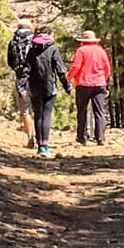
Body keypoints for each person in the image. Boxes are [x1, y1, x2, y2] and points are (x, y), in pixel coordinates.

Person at [19, 26, 70, 157]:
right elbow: (60, 70)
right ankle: (44, 145)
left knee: (38, 115)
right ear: (49, 34)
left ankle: (39, 146)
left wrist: (22, 87)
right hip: (49, 87)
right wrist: (67, 86)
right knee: (46, 116)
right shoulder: (53, 49)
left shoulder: (32, 50)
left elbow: (26, 70)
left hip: (34, 87)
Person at [67, 30, 111, 146]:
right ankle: (100, 138)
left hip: (83, 84)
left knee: (82, 111)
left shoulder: (81, 51)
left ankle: (82, 137)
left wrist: (69, 78)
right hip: (99, 84)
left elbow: (76, 66)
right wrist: (104, 80)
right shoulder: (101, 51)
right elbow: (107, 68)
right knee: (99, 111)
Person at [6, 18, 36, 148]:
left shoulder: (13, 42)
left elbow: (10, 62)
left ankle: (30, 137)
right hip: (36, 78)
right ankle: (42, 138)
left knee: (25, 110)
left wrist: (19, 70)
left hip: (21, 78)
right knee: (38, 108)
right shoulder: (35, 41)